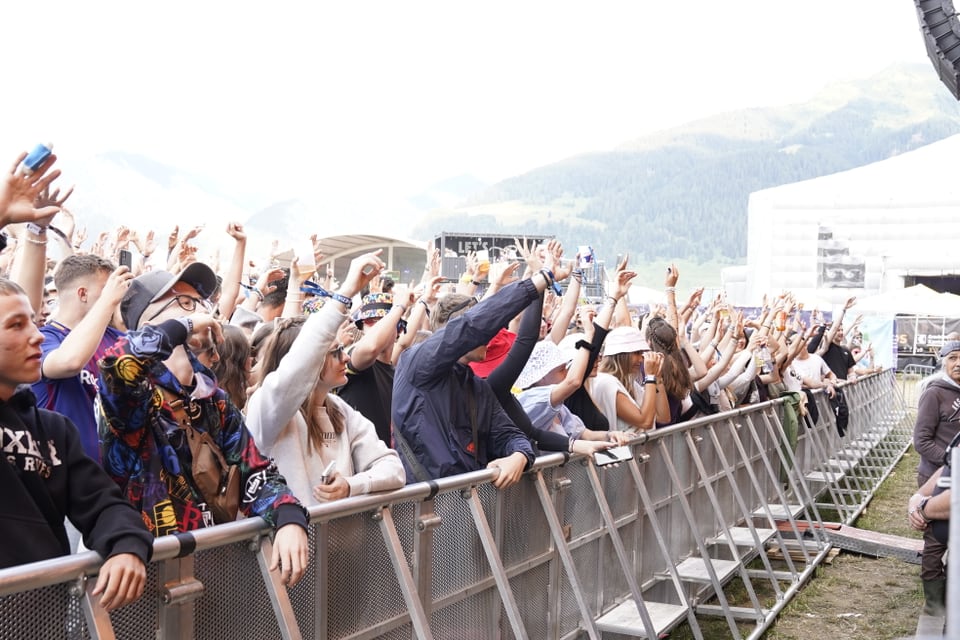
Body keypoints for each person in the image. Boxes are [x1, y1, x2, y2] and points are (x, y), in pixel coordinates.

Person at [98, 262, 309, 587]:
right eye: (183, 302)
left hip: (213, 565)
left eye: (199, 302)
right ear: (147, 323)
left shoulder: (213, 398)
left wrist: (288, 516)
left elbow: (255, 470)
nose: (198, 311)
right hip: (144, 574)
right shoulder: (135, 392)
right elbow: (115, 366)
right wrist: (182, 325)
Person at [0, 277, 151, 611]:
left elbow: (104, 505)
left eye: (34, 322)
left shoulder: (54, 430)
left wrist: (126, 545)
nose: (37, 335)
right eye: (15, 325)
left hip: (39, 620)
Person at [246, 252, 405, 505]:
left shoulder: (340, 411)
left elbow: (393, 468)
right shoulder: (268, 409)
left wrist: (352, 485)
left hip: (342, 543)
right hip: (289, 542)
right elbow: (298, 363)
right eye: (334, 352)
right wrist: (345, 293)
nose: (345, 359)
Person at [392, 267, 557, 487]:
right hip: (423, 512)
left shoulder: (477, 388)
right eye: (486, 329)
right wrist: (539, 281)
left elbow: (510, 435)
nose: (490, 335)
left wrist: (520, 456)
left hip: (468, 508)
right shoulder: (416, 365)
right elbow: (473, 326)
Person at [31, 254, 133, 462]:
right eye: (108, 288)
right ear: (83, 294)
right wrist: (108, 300)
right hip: (63, 477)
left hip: (115, 479)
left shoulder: (117, 339)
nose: (117, 295)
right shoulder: (42, 339)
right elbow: (69, 362)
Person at [912, 339, 960, 613]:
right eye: (953, 357)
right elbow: (922, 441)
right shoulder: (935, 393)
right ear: (943, 361)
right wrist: (952, 462)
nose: (959, 363)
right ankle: (933, 598)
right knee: (935, 538)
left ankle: (951, 591)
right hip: (935, 477)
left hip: (957, 477)